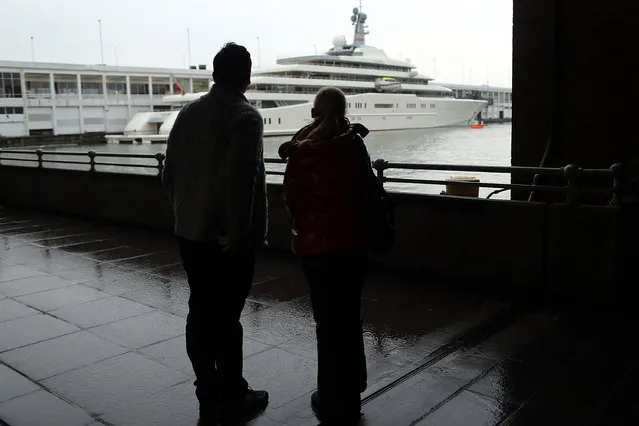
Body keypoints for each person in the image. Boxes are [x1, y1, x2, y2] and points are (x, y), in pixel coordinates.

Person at [162, 42, 269, 425]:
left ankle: (206, 385)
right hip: (226, 240)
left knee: (199, 310)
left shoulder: (187, 113)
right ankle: (234, 394)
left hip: (189, 234)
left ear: (213, 74)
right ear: (246, 75)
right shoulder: (245, 117)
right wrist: (239, 234)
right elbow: (243, 182)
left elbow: (169, 175)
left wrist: (188, 213)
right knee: (228, 318)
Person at [279, 87, 369, 424]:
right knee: (350, 317)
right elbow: (366, 190)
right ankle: (353, 388)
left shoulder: (303, 150)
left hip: (316, 249)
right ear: (344, 112)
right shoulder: (353, 144)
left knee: (327, 324)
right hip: (353, 246)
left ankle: (331, 395)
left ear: (314, 113)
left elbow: (291, 197)